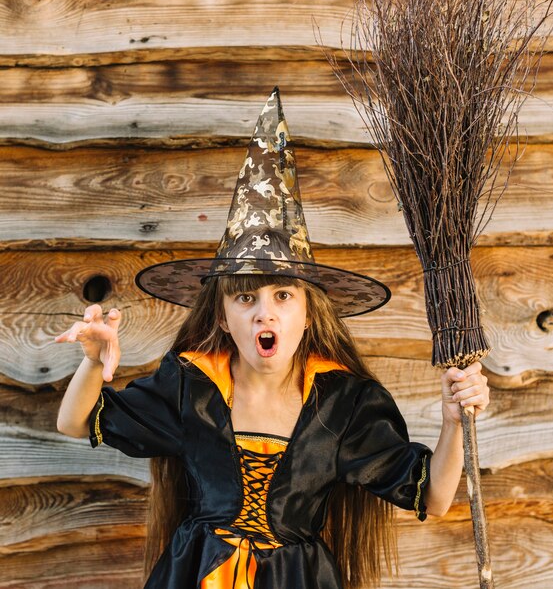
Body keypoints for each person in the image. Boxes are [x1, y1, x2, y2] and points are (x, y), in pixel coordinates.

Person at [56, 88, 490, 589]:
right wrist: (93, 361)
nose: (266, 313)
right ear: (221, 317)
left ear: (308, 314)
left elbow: (434, 498)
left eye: (284, 296)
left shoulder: (344, 404)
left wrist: (455, 422)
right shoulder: (191, 386)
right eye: (246, 299)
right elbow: (75, 422)